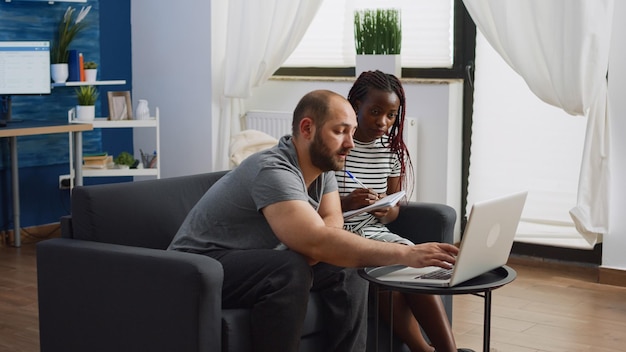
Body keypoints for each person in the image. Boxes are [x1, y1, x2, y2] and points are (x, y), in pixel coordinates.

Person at [168, 89, 459, 352]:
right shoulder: (272, 170)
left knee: (348, 264)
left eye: (351, 132)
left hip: (253, 262)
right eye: (340, 132)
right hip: (199, 269)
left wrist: (319, 247)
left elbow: (331, 221)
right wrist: (408, 253)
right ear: (307, 128)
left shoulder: (324, 166)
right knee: (289, 267)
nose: (350, 144)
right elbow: (317, 239)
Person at [336, 70, 473, 352]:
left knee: (414, 265)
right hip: (339, 232)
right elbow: (309, 205)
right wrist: (346, 203)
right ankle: (425, 350)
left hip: (373, 230)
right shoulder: (336, 145)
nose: (383, 122)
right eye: (375, 111)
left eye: (391, 115)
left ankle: (449, 350)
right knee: (387, 277)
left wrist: (385, 211)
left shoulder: (390, 151)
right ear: (355, 106)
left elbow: (394, 208)